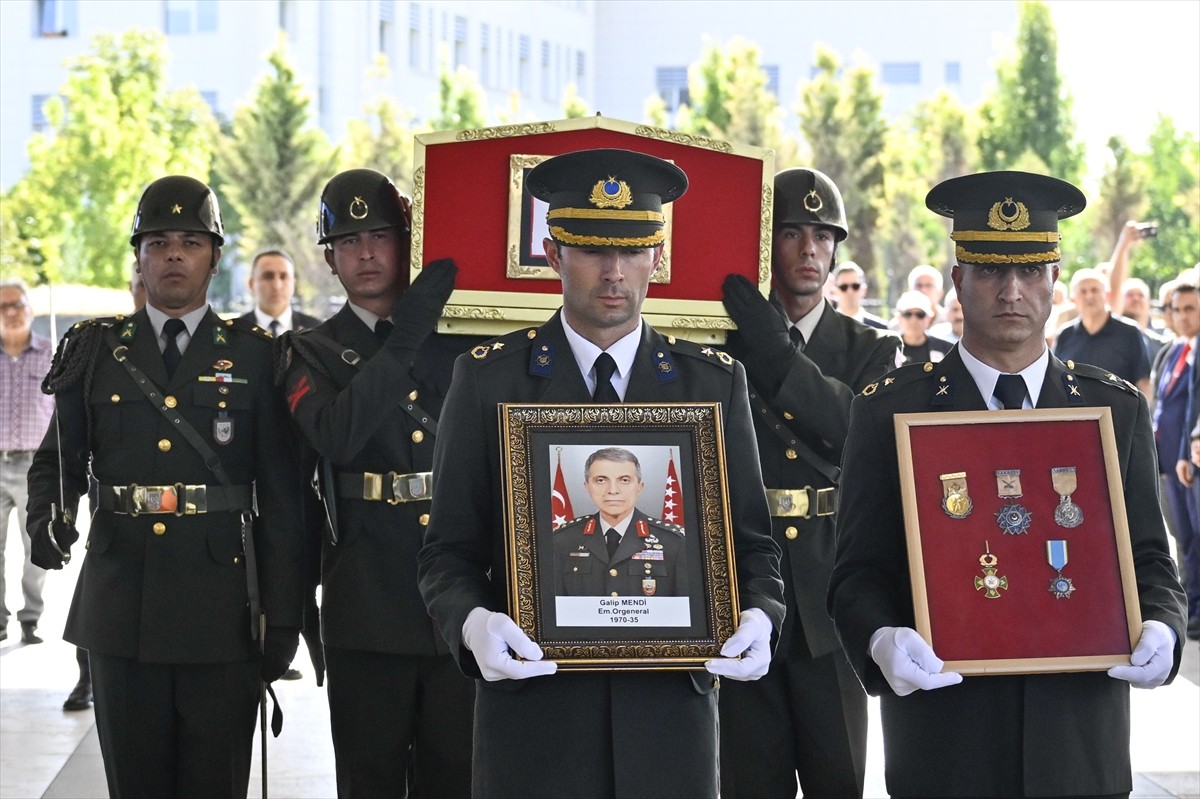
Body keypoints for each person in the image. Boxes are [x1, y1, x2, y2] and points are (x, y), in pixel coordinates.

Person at [416, 148, 785, 799]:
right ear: (554, 255)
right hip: (534, 722)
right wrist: (473, 624)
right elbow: (447, 551)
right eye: (590, 249)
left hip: (668, 723)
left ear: (657, 258)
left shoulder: (712, 383)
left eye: (634, 248)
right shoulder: (487, 378)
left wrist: (760, 615)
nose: (613, 271)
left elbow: (752, 542)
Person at [829, 170, 1186, 798]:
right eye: (991, 269)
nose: (1011, 289)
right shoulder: (889, 412)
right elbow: (857, 573)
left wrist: (1163, 627)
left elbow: (1151, 562)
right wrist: (882, 640)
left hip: (1078, 745)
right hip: (946, 745)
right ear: (960, 278)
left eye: (1030, 269)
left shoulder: (1112, 410)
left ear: (1056, 280)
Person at [26, 175, 305, 798]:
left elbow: (284, 501)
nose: (173, 253)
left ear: (214, 256)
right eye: (158, 242)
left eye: (189, 241)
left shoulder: (258, 357)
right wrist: (46, 519)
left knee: (217, 785)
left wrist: (284, 616)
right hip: (119, 603)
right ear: (139, 257)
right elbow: (57, 462)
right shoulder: (93, 350)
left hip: (224, 611)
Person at [279, 167, 475, 797]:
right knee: (370, 777)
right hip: (364, 597)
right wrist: (408, 335)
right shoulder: (306, 351)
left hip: (462, 593)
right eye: (348, 241)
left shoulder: (463, 341)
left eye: (381, 236)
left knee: (456, 774)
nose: (366, 253)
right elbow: (336, 436)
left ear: (407, 241)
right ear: (329, 258)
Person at [718, 166, 900, 798]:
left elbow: (852, 428)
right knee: (748, 776)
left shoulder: (870, 346)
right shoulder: (722, 340)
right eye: (791, 233)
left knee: (838, 776)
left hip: (830, 579)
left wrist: (773, 351)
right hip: (745, 573)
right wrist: (755, 341)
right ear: (766, 246)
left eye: (823, 237)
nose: (809, 250)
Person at [553, 447, 686, 598]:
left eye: (624, 480)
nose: (613, 490)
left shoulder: (674, 542)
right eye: (601, 480)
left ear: (639, 487)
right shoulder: (562, 540)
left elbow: (684, 613)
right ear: (587, 487)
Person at [1, 279, 54, 646]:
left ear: (29, 308)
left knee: (36, 545)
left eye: (17, 304)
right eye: (3, 306)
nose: (11, 312)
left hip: (35, 467)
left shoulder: (52, 354)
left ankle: (30, 618)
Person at [1152, 278, 1200, 641]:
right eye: (1177, 309)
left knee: (1196, 536)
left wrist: (1186, 451)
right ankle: (1192, 605)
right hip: (1168, 463)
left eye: (1190, 309)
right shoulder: (1173, 351)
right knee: (1182, 538)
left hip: (1189, 460)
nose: (1182, 316)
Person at [1052, 267, 1152, 396]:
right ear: (1073, 300)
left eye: (1095, 290)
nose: (1089, 296)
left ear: (1107, 295)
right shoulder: (1065, 335)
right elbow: (1055, 381)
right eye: (1083, 291)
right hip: (1076, 414)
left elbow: (1143, 382)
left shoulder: (1130, 333)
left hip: (1120, 414)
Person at [239, 249, 322, 335]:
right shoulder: (235, 331)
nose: (277, 286)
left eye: (284, 277)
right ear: (251, 284)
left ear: (293, 284)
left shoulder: (316, 329)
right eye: (268, 277)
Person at [894, 289, 953, 366]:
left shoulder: (946, 349)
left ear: (929, 318)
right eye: (907, 314)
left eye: (920, 314)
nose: (913, 320)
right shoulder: (887, 349)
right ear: (899, 317)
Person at [831, 261, 888, 329]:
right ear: (834, 291)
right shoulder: (825, 328)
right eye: (844, 287)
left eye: (855, 286)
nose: (850, 291)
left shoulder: (881, 328)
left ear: (864, 289)